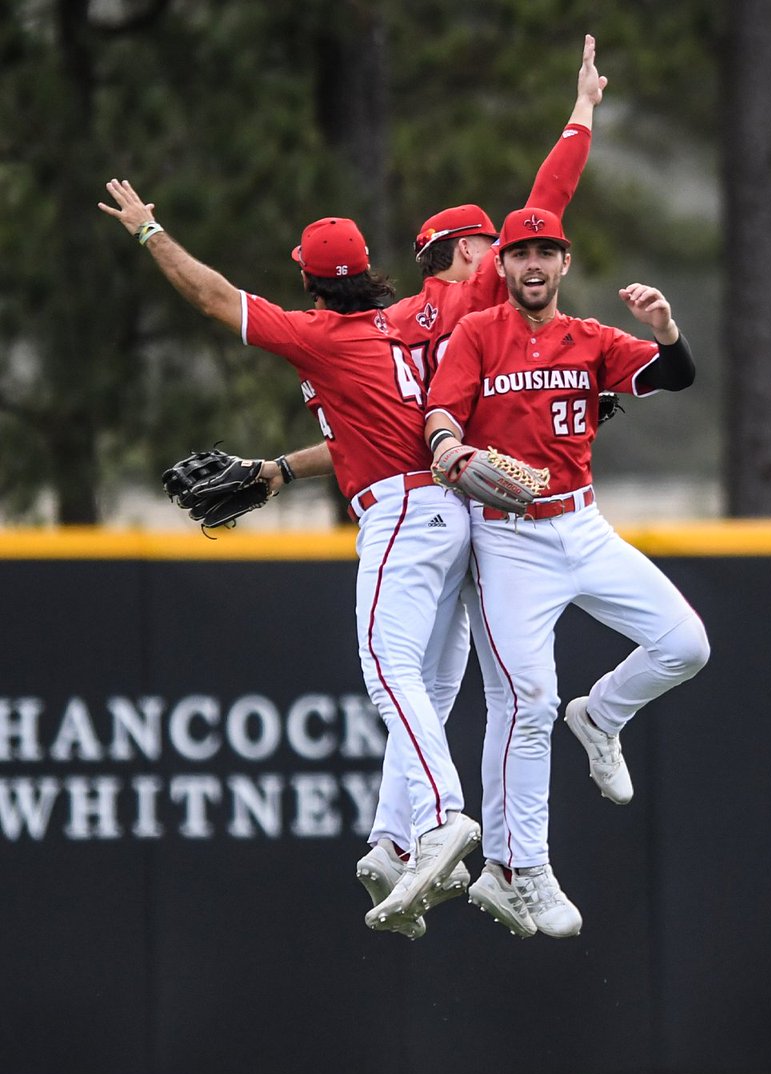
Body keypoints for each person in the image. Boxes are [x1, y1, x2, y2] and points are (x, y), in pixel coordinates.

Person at [257, 35, 607, 935]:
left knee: (423, 685)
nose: (503, 249)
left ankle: (393, 837)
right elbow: (548, 203)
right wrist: (579, 118)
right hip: (474, 511)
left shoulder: (381, 327)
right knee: (476, 692)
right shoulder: (472, 301)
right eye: (487, 243)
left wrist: (276, 470)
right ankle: (476, 843)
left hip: (412, 492)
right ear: (458, 253)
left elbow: (373, 433)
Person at [97, 184, 482, 933]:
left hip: (402, 516)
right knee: (428, 691)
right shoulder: (393, 332)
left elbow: (211, 296)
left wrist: (150, 234)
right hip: (446, 512)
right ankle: (392, 842)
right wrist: (275, 470)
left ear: (309, 279)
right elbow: (360, 438)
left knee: (386, 670)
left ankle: (442, 818)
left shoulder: (319, 335)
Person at [422, 206, 710, 939]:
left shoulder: (589, 340)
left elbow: (676, 376)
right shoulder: (477, 334)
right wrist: (451, 449)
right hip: (510, 539)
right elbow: (440, 416)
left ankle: (604, 715)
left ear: (565, 263)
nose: (533, 264)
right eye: (520, 254)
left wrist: (665, 328)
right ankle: (524, 870)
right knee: (527, 701)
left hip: (581, 524)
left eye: (546, 252)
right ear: (504, 266)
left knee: (685, 645)